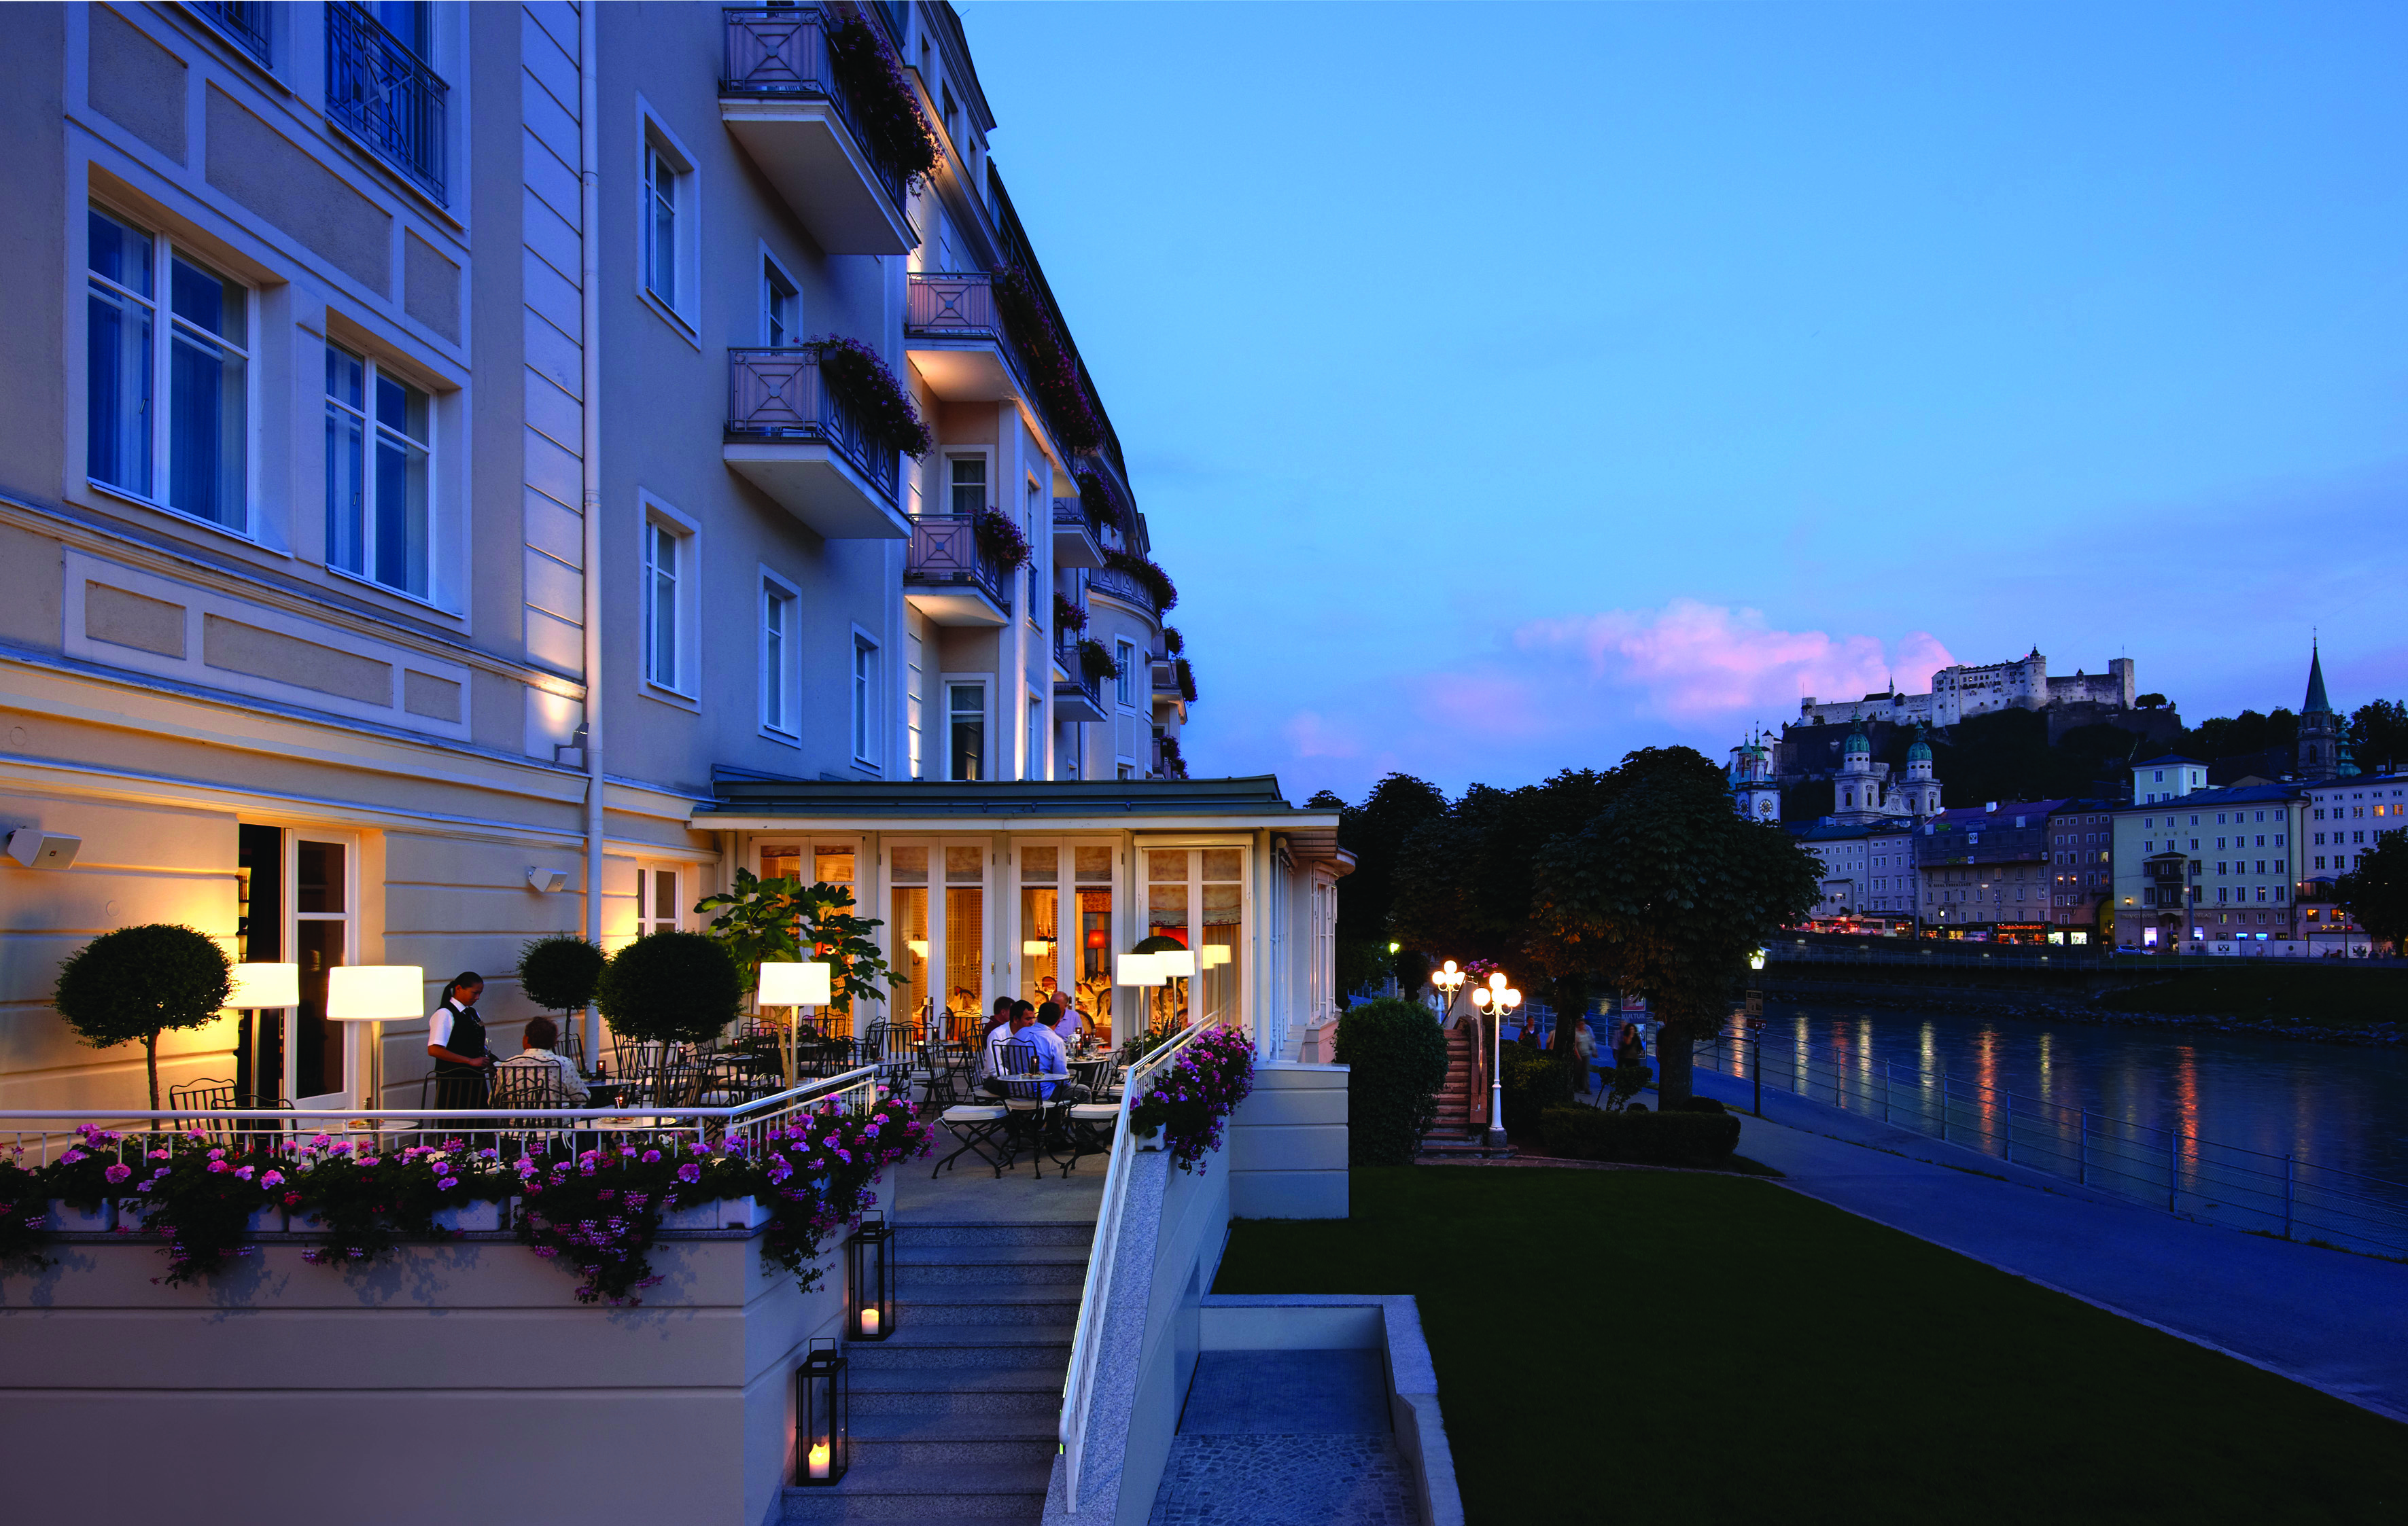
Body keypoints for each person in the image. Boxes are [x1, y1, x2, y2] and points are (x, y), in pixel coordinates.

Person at [426, 972, 492, 1110]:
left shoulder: (472, 1013)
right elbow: (434, 1049)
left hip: (474, 1078)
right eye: (474, 993)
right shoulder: (445, 1014)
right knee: (459, 1121)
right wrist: (470, 1061)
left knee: (478, 1120)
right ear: (458, 989)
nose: (477, 998)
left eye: (480, 993)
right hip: (454, 1080)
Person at [502, 1015, 590, 1105]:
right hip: (556, 1118)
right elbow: (583, 1097)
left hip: (519, 1119)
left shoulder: (508, 1065)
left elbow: (495, 1101)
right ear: (554, 1041)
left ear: (526, 1039)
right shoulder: (563, 1064)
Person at [1572, 1016, 1597, 1095]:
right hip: (1579, 1054)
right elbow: (1575, 1046)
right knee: (1577, 1071)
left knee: (1586, 1071)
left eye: (1583, 1024)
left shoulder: (1587, 1033)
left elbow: (1591, 1042)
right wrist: (1578, 1055)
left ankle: (1587, 1088)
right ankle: (1576, 1086)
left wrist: (1594, 1050)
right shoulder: (1577, 1034)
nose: (1582, 1026)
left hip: (1586, 1054)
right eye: (1580, 1024)